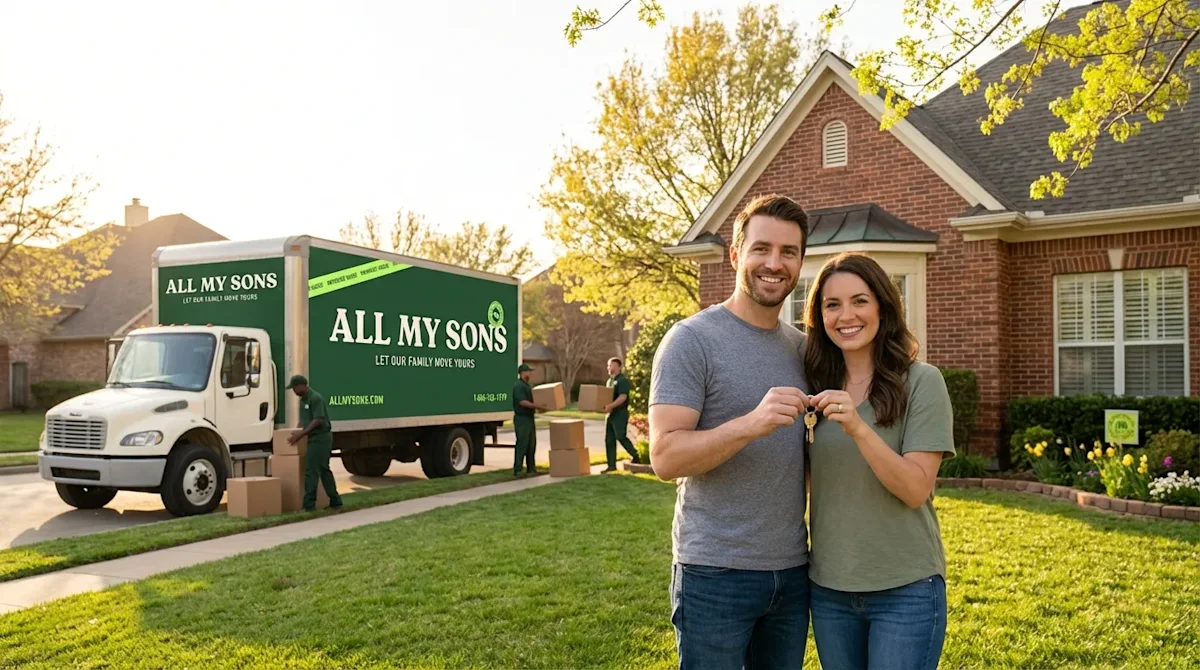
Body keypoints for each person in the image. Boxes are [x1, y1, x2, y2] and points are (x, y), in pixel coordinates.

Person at [649, 193, 812, 669]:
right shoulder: (691, 340)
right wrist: (750, 425)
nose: (774, 263)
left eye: (789, 252)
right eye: (762, 249)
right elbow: (665, 458)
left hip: (792, 569)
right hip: (714, 570)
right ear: (736, 254)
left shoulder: (804, 350)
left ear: (801, 262)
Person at [802, 252, 955, 670]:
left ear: (883, 307)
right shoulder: (812, 388)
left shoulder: (923, 382)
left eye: (859, 300)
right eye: (831, 304)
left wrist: (857, 426)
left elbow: (915, 488)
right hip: (829, 588)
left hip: (905, 588)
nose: (845, 315)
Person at [286, 374, 344, 511]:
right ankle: (335, 501)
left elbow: (318, 419)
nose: (293, 391)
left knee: (312, 471)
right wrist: (297, 430)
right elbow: (304, 420)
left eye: (294, 388)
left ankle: (309, 505)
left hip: (321, 438)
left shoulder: (315, 398)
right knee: (323, 470)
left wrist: (301, 434)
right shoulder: (302, 400)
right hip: (312, 438)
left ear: (302, 386)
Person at [602, 357, 641, 472]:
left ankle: (635, 455)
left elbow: (622, 397)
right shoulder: (609, 381)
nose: (610, 368)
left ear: (619, 367)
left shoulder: (622, 380)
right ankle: (611, 466)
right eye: (609, 365)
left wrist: (611, 406)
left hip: (620, 413)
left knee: (620, 436)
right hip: (610, 414)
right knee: (609, 439)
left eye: (612, 365)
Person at [512, 364, 544, 476]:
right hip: (522, 419)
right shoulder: (518, 386)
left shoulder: (527, 385)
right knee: (522, 444)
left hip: (529, 418)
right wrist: (536, 406)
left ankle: (531, 469)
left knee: (531, 444)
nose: (530, 373)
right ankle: (518, 469)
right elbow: (522, 402)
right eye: (528, 371)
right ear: (522, 373)